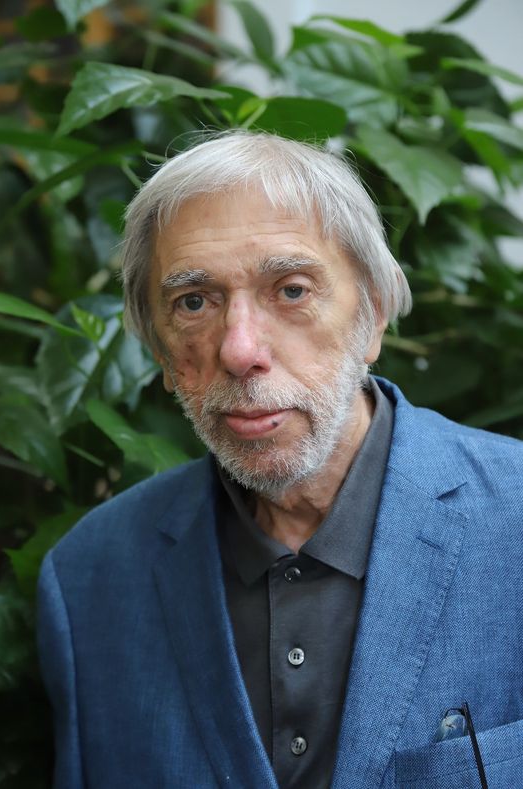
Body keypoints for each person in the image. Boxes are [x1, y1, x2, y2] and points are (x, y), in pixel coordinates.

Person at [37, 132, 523, 789]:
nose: (239, 350)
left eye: (291, 290)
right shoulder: (89, 580)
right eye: (193, 302)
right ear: (159, 350)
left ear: (373, 314)